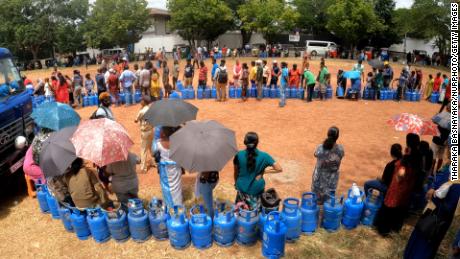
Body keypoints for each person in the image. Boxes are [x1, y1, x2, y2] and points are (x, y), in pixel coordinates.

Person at [404, 153, 459, 259]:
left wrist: (433, 194)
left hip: (437, 215)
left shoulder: (455, 167)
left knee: (425, 239)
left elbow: (450, 196)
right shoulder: (452, 165)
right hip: (440, 214)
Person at [375, 133, 422, 236]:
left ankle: (384, 230)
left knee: (390, 205)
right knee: (400, 208)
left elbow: (401, 173)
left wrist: (398, 176)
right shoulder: (418, 156)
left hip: (398, 186)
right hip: (408, 187)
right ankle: (395, 229)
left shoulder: (407, 158)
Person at [233, 132, 282, 210]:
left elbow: (236, 173)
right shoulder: (265, 156)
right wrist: (264, 172)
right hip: (257, 189)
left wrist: (236, 183)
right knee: (256, 212)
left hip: (241, 187)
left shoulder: (238, 155)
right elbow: (279, 169)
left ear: (245, 142)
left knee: (241, 210)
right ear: (257, 142)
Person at [311, 126, 345, 204]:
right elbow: (341, 155)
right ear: (337, 137)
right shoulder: (341, 149)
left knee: (316, 202)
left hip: (319, 179)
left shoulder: (321, 148)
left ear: (327, 134)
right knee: (328, 202)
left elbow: (315, 154)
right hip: (332, 180)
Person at [155, 126, 183, 208]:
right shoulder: (178, 143)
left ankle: (170, 207)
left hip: (165, 170)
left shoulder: (158, 144)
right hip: (176, 168)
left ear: (163, 134)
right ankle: (178, 205)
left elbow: (154, 153)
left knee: (167, 188)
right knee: (177, 187)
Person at [135, 96, 153, 173]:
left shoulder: (142, 111)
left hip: (145, 132)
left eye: (141, 100)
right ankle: (156, 162)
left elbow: (136, 120)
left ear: (144, 102)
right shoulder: (150, 109)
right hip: (151, 131)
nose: (140, 101)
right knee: (151, 147)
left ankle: (143, 168)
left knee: (143, 149)